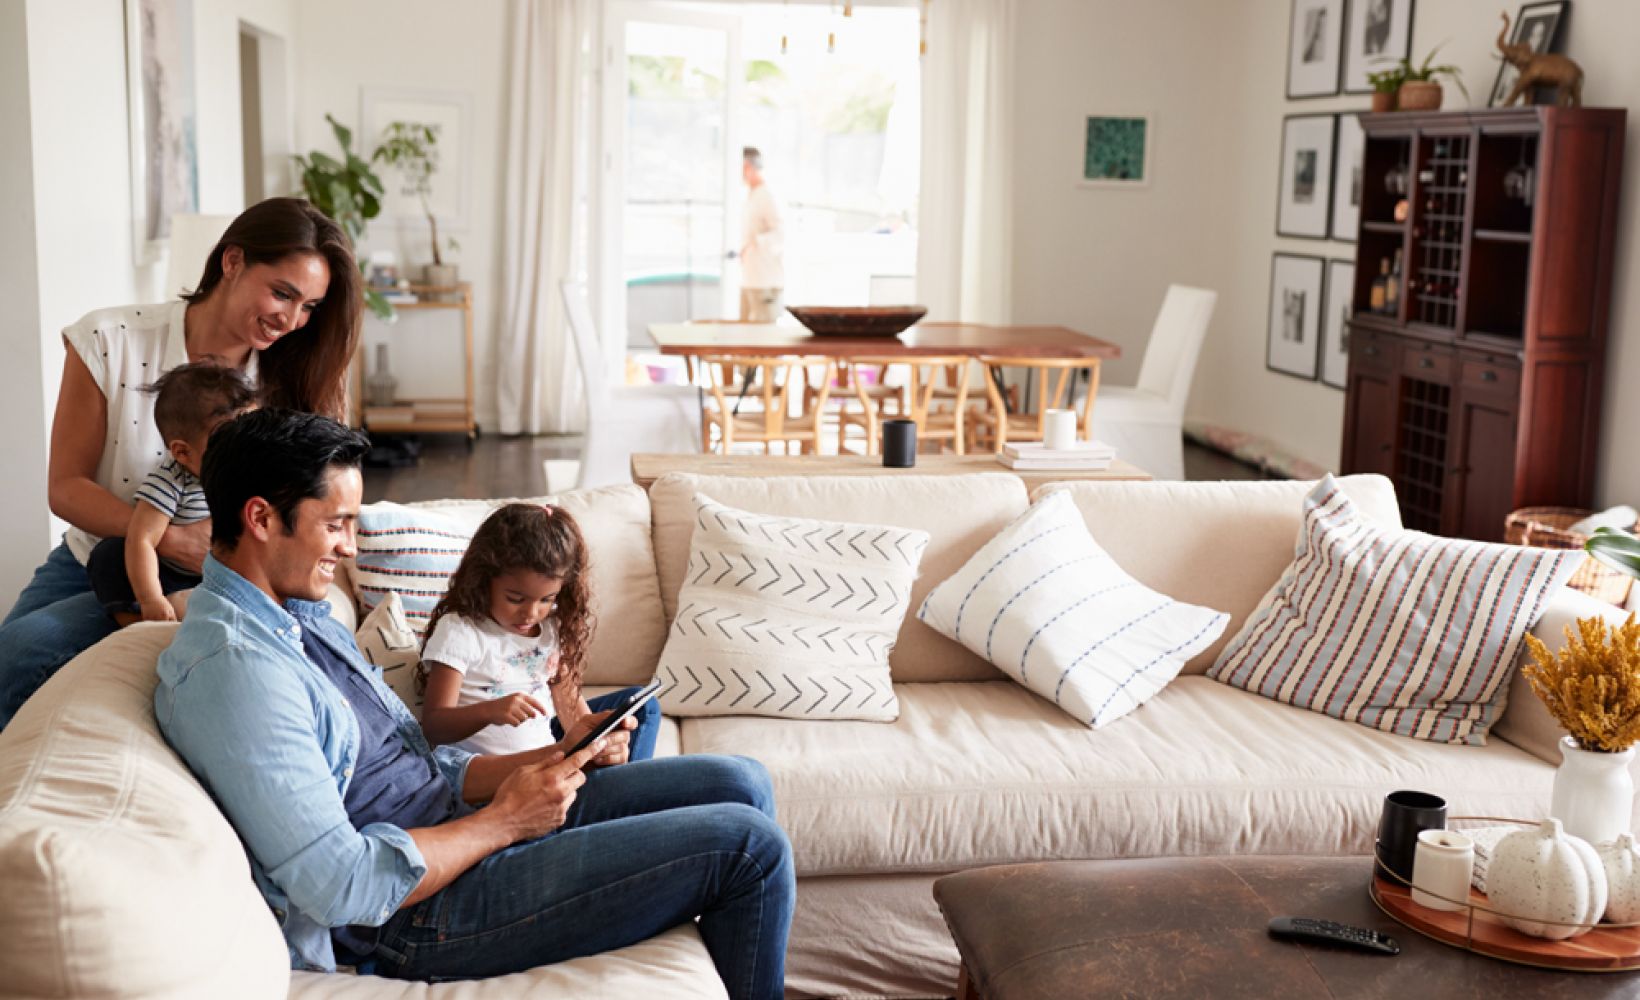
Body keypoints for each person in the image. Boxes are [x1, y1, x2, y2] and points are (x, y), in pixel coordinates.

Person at [155, 408, 794, 996]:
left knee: (741, 780)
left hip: (462, 821)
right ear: (262, 519)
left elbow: (420, 762)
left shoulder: (300, 614)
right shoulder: (237, 673)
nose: (349, 546)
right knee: (749, 847)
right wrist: (505, 822)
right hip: (417, 911)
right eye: (336, 523)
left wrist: (552, 756)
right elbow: (340, 886)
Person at [0, 196, 360, 728]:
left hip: (217, 578)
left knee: (23, 653)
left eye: (309, 306)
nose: (292, 319)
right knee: (11, 656)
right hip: (95, 556)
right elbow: (67, 487)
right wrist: (163, 536)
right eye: (282, 293)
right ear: (232, 261)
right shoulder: (110, 340)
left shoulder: (290, 379)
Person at [417, 502, 660, 762]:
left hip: (550, 757)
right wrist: (489, 711)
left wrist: (599, 747)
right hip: (503, 775)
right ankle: (624, 789)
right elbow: (433, 725)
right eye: (515, 599)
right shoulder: (461, 631)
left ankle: (622, 782)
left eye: (547, 599)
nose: (531, 613)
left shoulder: (550, 628)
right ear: (484, 579)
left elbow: (574, 715)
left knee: (643, 708)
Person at [85, 362, 258, 626]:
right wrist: (151, 598)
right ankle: (136, 622)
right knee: (110, 554)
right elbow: (141, 539)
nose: (245, 451)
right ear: (182, 453)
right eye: (227, 442)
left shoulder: (252, 474)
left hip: (226, 575)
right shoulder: (171, 481)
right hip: (171, 577)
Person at [738, 147, 785, 323]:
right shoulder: (750, 196)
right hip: (749, 280)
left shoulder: (768, 196)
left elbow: (781, 235)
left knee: (763, 339)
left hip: (765, 282)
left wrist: (754, 243)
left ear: (748, 166)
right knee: (744, 340)